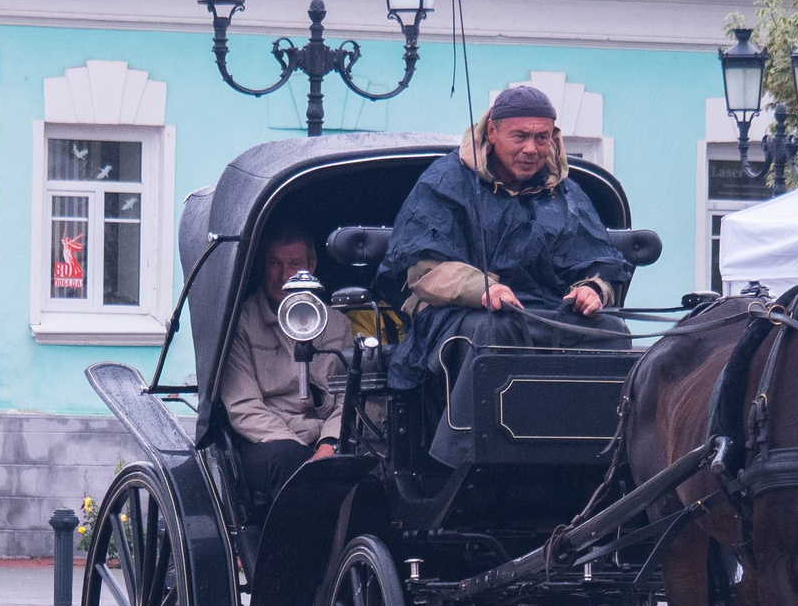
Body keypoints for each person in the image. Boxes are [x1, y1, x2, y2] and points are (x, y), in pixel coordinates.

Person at [376, 83, 631, 468]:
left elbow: (599, 261)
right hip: (456, 317)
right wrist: (483, 289)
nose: (531, 148)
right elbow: (424, 271)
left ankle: (600, 459)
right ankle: (462, 460)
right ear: (492, 132)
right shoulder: (444, 182)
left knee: (611, 332)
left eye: (541, 137)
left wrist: (593, 288)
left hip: (544, 313)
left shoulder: (567, 194)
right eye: (520, 136)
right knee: (495, 331)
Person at [220, 226, 352, 510]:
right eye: (274, 263)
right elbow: (244, 407)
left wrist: (330, 443)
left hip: (325, 438)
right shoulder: (241, 322)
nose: (283, 276)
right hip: (268, 441)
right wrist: (302, 451)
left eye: (294, 264)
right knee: (288, 459)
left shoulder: (338, 323)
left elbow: (347, 398)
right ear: (260, 265)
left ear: (311, 266)